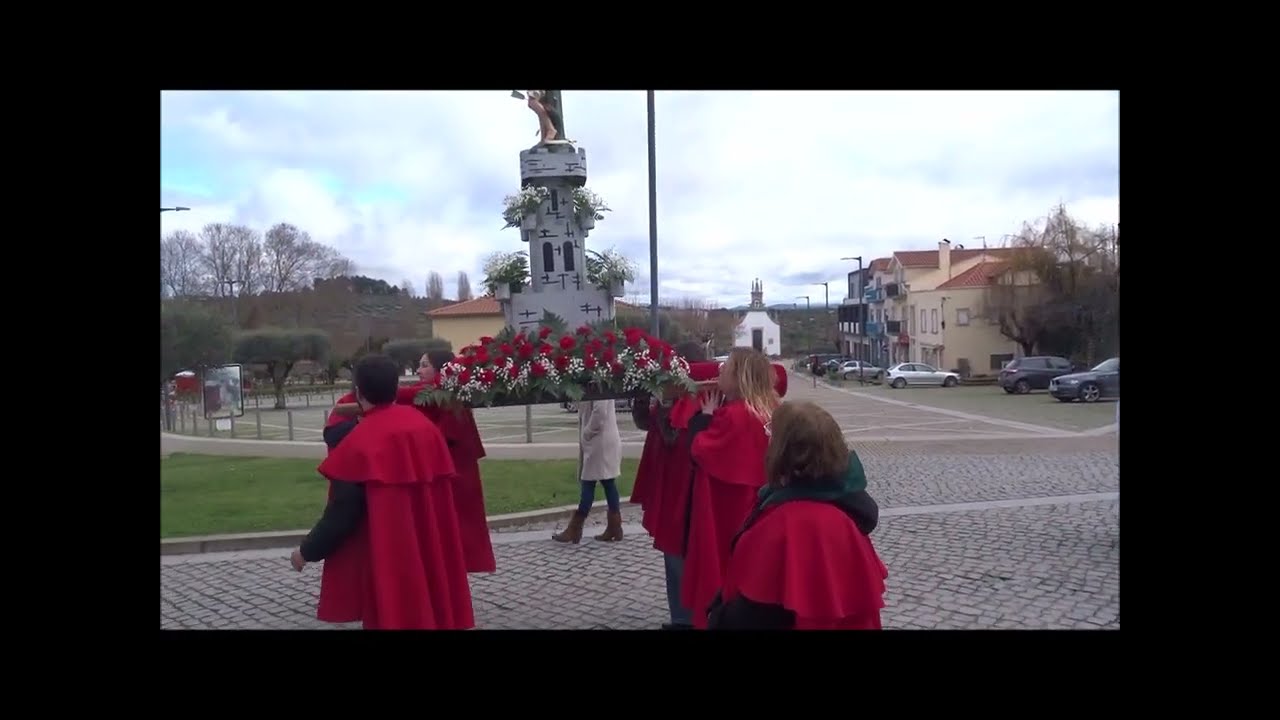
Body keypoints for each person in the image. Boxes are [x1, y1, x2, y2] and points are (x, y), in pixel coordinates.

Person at [291, 354, 474, 630]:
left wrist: (306, 551)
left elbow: (343, 512)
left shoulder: (360, 441)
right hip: (428, 550)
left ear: (359, 393)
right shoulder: (424, 427)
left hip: (389, 555)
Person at [707, 401, 887, 630]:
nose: (767, 439)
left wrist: (718, 616)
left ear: (783, 453)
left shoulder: (786, 523)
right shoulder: (845, 508)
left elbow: (756, 610)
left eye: (771, 434)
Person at [327, 350, 495, 574]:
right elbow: (333, 434)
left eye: (425, 365)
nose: (419, 370)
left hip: (447, 479)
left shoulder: (443, 395)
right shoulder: (425, 398)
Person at [680, 347, 782, 630]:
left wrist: (705, 418)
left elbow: (701, 450)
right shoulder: (772, 410)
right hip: (763, 505)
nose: (719, 372)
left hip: (728, 507)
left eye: (726, 368)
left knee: (723, 566)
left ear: (739, 377)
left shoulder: (734, 415)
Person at [630, 342, 711, 630]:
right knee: (675, 554)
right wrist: (642, 395)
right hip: (673, 485)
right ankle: (683, 616)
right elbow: (646, 422)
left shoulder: (698, 400)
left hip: (685, 490)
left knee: (680, 554)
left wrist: (662, 405)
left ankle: (686, 618)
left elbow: (672, 435)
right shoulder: (677, 398)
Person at [413, 350, 495, 574]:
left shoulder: (450, 398)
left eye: (424, 365)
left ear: (441, 369)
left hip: (455, 476)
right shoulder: (436, 395)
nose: (419, 370)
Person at [553, 398, 623, 543]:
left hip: (599, 440)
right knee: (607, 482)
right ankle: (614, 527)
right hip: (600, 440)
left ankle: (575, 528)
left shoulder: (600, 386)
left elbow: (600, 411)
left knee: (589, 482)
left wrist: (588, 432)